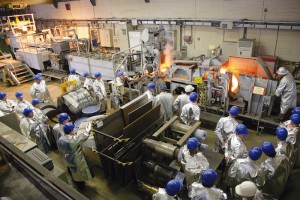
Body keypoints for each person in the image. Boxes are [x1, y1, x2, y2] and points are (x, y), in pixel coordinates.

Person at [57, 122, 94, 189]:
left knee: (73, 172)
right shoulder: (74, 140)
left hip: (68, 159)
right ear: (71, 131)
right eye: (73, 129)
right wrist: (89, 125)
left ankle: (77, 182)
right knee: (80, 172)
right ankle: (81, 186)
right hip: (76, 159)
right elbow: (85, 135)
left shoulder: (60, 139)